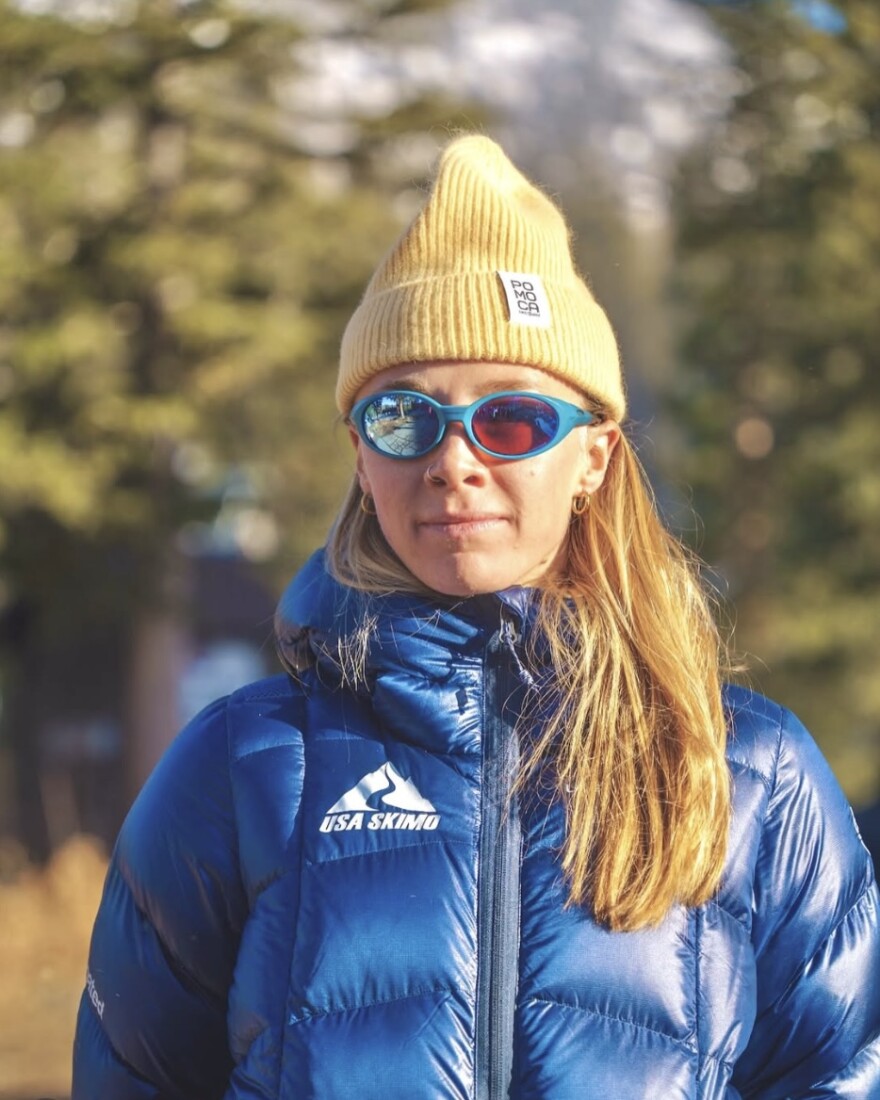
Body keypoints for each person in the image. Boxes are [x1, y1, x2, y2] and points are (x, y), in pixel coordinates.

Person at [72, 134, 880, 1099]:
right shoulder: (242, 767)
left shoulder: (751, 773)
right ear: (363, 461)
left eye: (511, 419)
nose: (453, 461)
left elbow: (839, 1076)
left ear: (594, 459)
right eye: (404, 418)